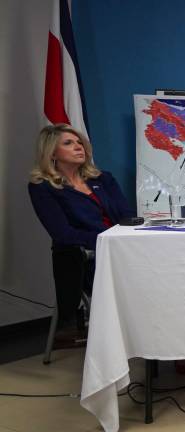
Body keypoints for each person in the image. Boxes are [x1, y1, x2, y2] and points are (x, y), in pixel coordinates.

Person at [28, 124, 134, 347]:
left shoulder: (103, 179)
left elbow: (126, 216)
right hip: (86, 256)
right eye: (68, 143)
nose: (78, 147)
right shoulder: (43, 187)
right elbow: (63, 233)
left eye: (79, 143)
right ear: (52, 153)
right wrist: (106, 239)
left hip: (123, 247)